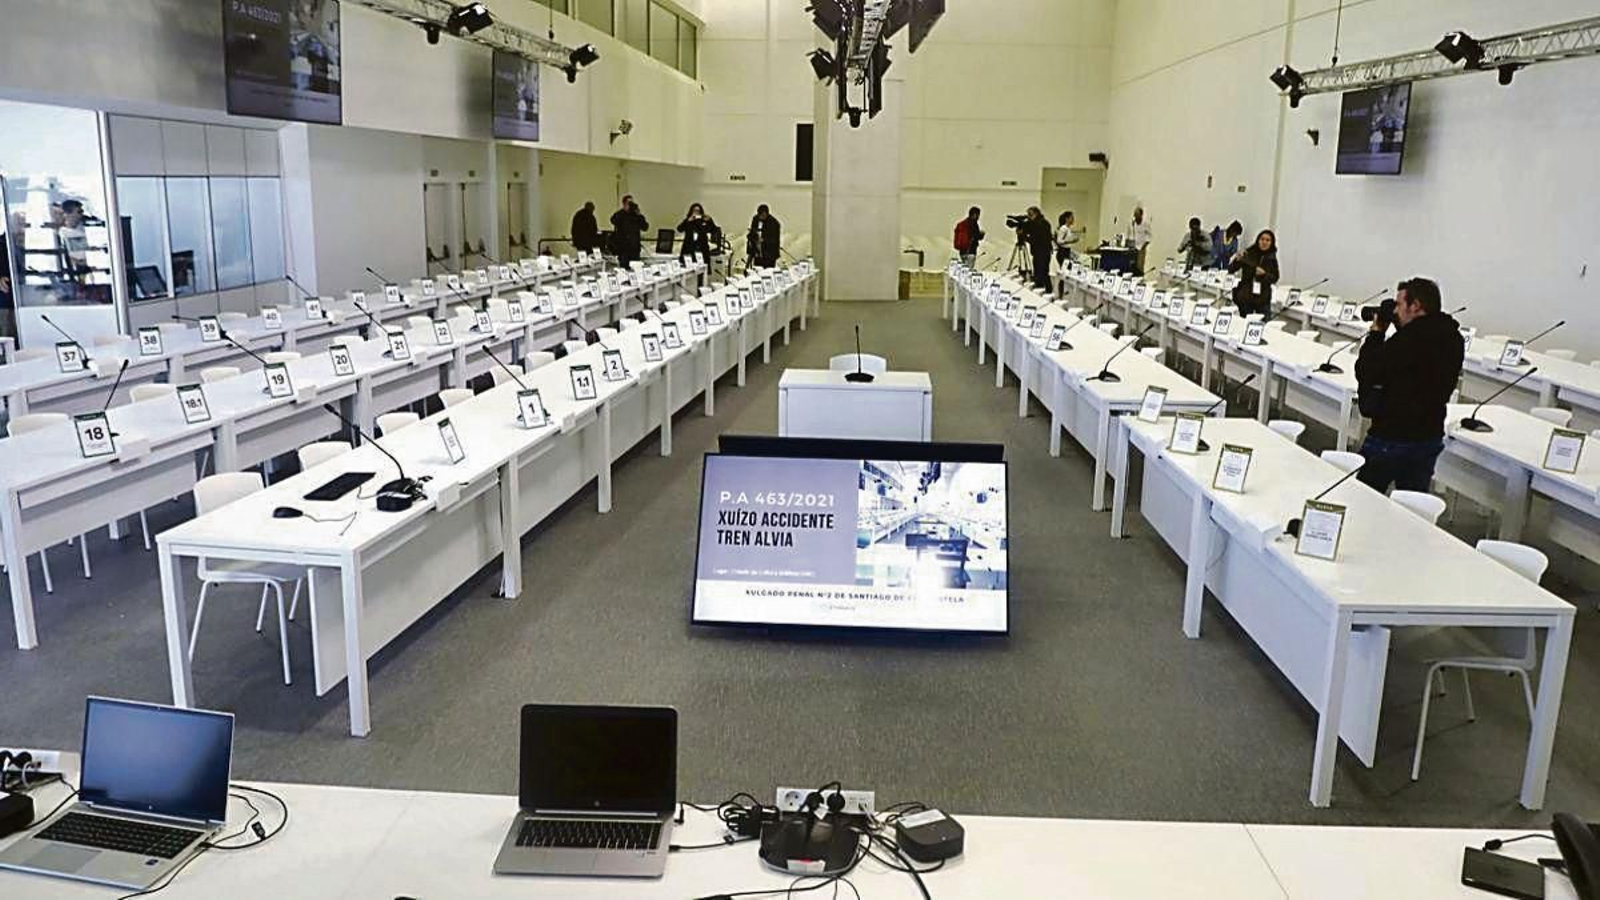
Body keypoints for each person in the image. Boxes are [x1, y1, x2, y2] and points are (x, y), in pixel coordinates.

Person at [1353, 277, 1465, 493]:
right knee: (1412, 504)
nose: (1396, 310)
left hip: (1391, 436)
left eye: (1399, 304)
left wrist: (1377, 331)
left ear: (1415, 306)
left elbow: (1367, 370)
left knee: (1363, 499)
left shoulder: (1409, 339)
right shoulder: (1452, 337)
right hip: (1429, 435)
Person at [1228, 229, 1279, 317]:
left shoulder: (1272, 258)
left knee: (1263, 325)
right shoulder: (1248, 253)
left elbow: (1275, 277)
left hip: (1263, 298)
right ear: (1258, 240)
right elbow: (1231, 269)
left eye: (1268, 240)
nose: (1264, 242)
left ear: (1271, 242)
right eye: (1262, 239)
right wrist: (1237, 260)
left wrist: (1264, 275)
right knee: (1245, 324)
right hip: (1246, 296)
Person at [1017, 207, 1053, 292]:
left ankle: (1046, 291)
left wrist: (1025, 237)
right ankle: (1040, 288)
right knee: (1037, 271)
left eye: (1030, 214)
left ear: (1036, 214)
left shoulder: (1042, 224)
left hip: (1043, 251)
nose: (1029, 217)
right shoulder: (1035, 223)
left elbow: (1038, 238)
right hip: (1037, 252)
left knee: (1042, 272)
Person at [609, 195, 648, 268]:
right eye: (629, 203)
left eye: (632, 202)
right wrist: (624, 210)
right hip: (623, 248)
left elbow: (645, 227)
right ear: (624, 204)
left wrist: (639, 214)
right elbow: (613, 220)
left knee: (636, 269)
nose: (631, 205)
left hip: (635, 248)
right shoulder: (620, 214)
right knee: (624, 268)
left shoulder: (636, 215)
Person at [748, 204, 781, 269]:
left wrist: (764, 240)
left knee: (767, 272)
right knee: (757, 270)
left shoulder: (774, 223)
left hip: (769, 254)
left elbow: (775, 240)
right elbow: (752, 232)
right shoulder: (755, 219)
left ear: (766, 213)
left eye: (762, 215)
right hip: (757, 253)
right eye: (759, 215)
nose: (760, 217)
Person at [1128, 205, 1152, 273]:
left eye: (1137, 215)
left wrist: (1143, 247)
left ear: (1141, 215)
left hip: (1141, 248)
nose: (1135, 217)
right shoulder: (1133, 223)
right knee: (1132, 266)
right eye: (1135, 215)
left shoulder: (1146, 224)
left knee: (1139, 266)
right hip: (1133, 248)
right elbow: (1131, 234)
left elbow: (1149, 238)